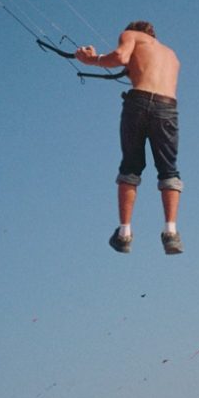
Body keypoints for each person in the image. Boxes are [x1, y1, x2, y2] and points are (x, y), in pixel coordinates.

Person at [74, 21, 184, 255]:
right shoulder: (172, 55)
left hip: (138, 103)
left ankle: (124, 234)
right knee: (168, 169)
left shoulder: (131, 34)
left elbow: (121, 57)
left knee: (131, 167)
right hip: (167, 107)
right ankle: (171, 232)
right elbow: (145, 70)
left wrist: (91, 59)